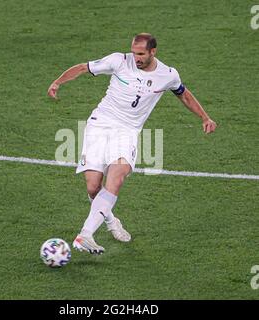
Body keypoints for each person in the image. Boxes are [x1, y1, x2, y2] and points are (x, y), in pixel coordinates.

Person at [48, 33, 217, 255]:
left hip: (126, 132)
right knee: (92, 187)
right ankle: (111, 222)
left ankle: (85, 234)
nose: (135, 57)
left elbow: (183, 95)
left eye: (140, 54)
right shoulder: (118, 60)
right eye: (133, 52)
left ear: (152, 52)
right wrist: (58, 82)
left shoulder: (167, 75)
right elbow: (83, 68)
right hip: (99, 125)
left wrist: (205, 117)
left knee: (117, 176)